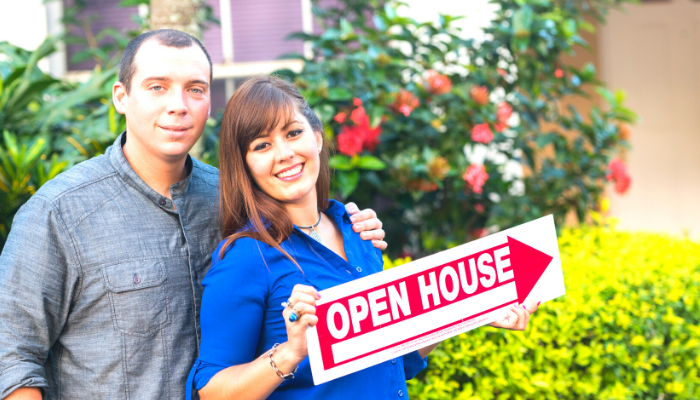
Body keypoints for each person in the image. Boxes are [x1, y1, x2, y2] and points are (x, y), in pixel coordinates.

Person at [0, 30, 386, 400]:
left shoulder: (238, 196)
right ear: (121, 96)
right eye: (157, 87)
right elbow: (11, 357)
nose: (178, 105)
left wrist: (350, 230)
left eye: (195, 89)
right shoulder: (60, 212)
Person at [187, 76, 537, 400]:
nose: (284, 154)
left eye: (293, 133)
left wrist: (468, 310)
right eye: (262, 145)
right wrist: (290, 353)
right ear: (245, 165)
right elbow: (211, 391)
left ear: (317, 136)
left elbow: (392, 360)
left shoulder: (358, 233)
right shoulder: (247, 257)